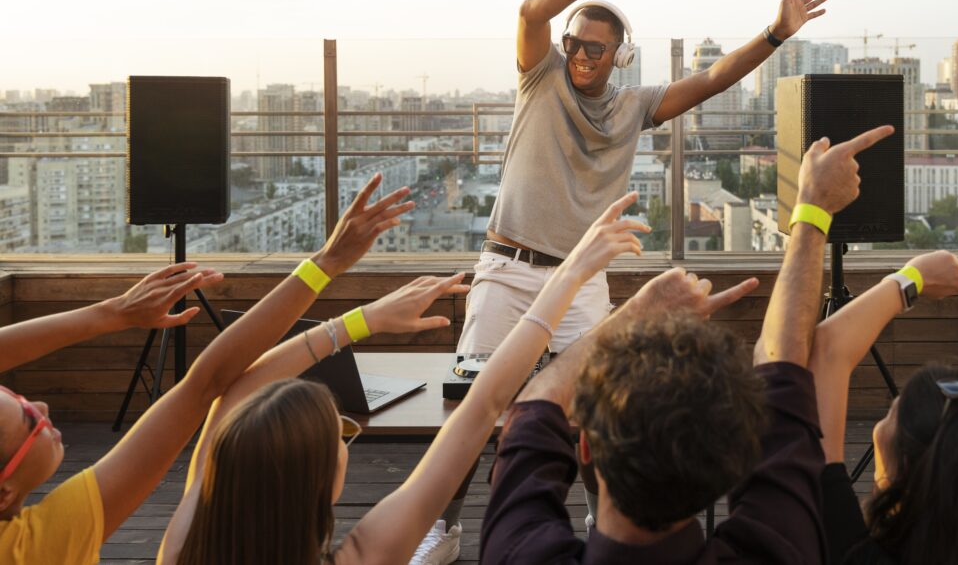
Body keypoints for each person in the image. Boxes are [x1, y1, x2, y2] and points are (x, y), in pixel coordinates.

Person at [421, 0, 831, 562]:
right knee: (471, 406)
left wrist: (775, 34)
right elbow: (531, 13)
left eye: (596, 48)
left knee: (597, 410)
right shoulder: (540, 77)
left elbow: (713, 79)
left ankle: (601, 526)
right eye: (575, 43)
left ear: (618, 57)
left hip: (582, 282)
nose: (582, 55)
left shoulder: (635, 107)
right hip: (508, 269)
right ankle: (439, 533)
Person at [155, 191, 651, 565]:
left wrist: (344, 295)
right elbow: (483, 406)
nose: (345, 443)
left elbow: (215, 387)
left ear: (218, 466)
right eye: (341, 436)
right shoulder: (364, 555)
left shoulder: (182, 542)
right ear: (323, 484)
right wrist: (571, 275)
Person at [478, 125, 895, 564]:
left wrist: (635, 312)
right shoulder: (776, 548)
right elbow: (783, 360)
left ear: (587, 450)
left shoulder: (518, 551)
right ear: (731, 464)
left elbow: (536, 403)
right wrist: (813, 211)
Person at [0, 171, 412, 564]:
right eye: (28, 417)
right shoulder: (36, 551)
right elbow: (206, 384)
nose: (42, 404)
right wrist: (328, 266)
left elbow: (214, 393)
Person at [806, 249, 958, 564]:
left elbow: (826, 350)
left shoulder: (856, 555)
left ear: (904, 468)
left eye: (893, 411)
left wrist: (913, 277)